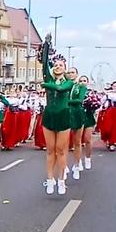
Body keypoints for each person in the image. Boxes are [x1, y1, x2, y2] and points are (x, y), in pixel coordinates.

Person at [40, 39, 74, 195]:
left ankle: (61, 180)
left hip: (63, 117)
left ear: (65, 68)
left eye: (61, 65)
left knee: (60, 150)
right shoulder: (48, 77)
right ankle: (50, 179)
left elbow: (60, 89)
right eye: (56, 65)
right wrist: (46, 45)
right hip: (49, 117)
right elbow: (45, 61)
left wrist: (46, 86)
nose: (58, 66)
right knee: (50, 150)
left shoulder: (68, 82)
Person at [67, 67, 87, 179]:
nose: (70, 74)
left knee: (77, 141)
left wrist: (66, 101)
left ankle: (77, 162)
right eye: (69, 73)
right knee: (64, 141)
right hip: (66, 113)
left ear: (77, 74)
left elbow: (79, 100)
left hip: (77, 113)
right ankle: (64, 164)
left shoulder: (80, 87)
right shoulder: (64, 86)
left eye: (73, 72)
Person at [80, 76, 97, 170]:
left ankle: (88, 158)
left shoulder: (91, 93)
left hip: (88, 116)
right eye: (81, 81)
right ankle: (77, 160)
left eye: (84, 81)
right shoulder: (76, 91)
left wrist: (92, 104)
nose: (82, 82)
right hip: (78, 116)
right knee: (77, 140)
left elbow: (97, 104)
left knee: (88, 139)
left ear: (87, 82)